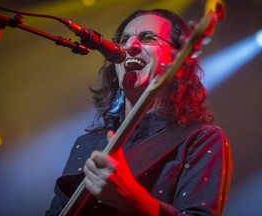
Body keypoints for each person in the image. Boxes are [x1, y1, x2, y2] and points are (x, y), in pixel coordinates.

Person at [46, 8, 233, 216]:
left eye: (147, 37)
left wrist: (134, 200)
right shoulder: (87, 143)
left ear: (178, 58)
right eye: (124, 40)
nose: (130, 46)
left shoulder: (201, 139)